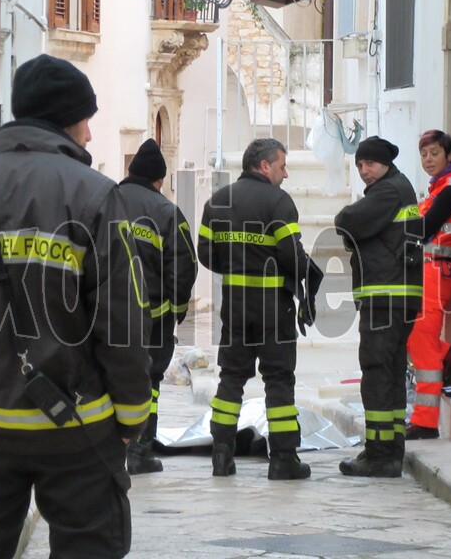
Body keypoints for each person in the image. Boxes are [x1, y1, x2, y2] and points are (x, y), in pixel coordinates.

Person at [0, 53, 152, 559]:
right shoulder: (98, 197)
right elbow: (122, 320)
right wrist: (130, 417)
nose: (89, 134)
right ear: (70, 119)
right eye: (87, 120)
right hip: (79, 428)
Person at [198, 138, 313, 481]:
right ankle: (282, 459)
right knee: (278, 379)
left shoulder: (218, 200)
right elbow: (293, 255)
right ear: (264, 166)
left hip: (234, 307)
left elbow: (205, 253)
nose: (286, 173)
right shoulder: (278, 201)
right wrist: (302, 271)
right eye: (282, 166)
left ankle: (221, 454)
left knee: (231, 378)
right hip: (273, 309)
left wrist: (235, 268)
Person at [334, 135, 423, 477]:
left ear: (385, 163)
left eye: (369, 163)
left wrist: (348, 223)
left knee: (376, 373)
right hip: (398, 298)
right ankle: (389, 450)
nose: (364, 171)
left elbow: (347, 221)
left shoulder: (388, 191)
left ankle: (380, 454)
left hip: (386, 297)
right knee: (390, 371)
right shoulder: (399, 188)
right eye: (359, 165)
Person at [118, 138, 198, 474]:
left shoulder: (104, 201)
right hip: (152, 319)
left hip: (104, 315)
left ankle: (105, 452)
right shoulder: (167, 212)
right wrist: (177, 309)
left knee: (106, 379)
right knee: (148, 383)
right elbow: (185, 266)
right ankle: (139, 452)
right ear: (159, 180)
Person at [406, 129, 451, 440]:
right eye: (424, 154)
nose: (428, 159)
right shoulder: (439, 187)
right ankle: (449, 357)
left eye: (435, 153)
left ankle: (425, 421)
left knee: (421, 338)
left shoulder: (450, 189)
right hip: (433, 270)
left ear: (449, 156)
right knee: (421, 338)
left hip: (438, 271)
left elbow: (424, 230)